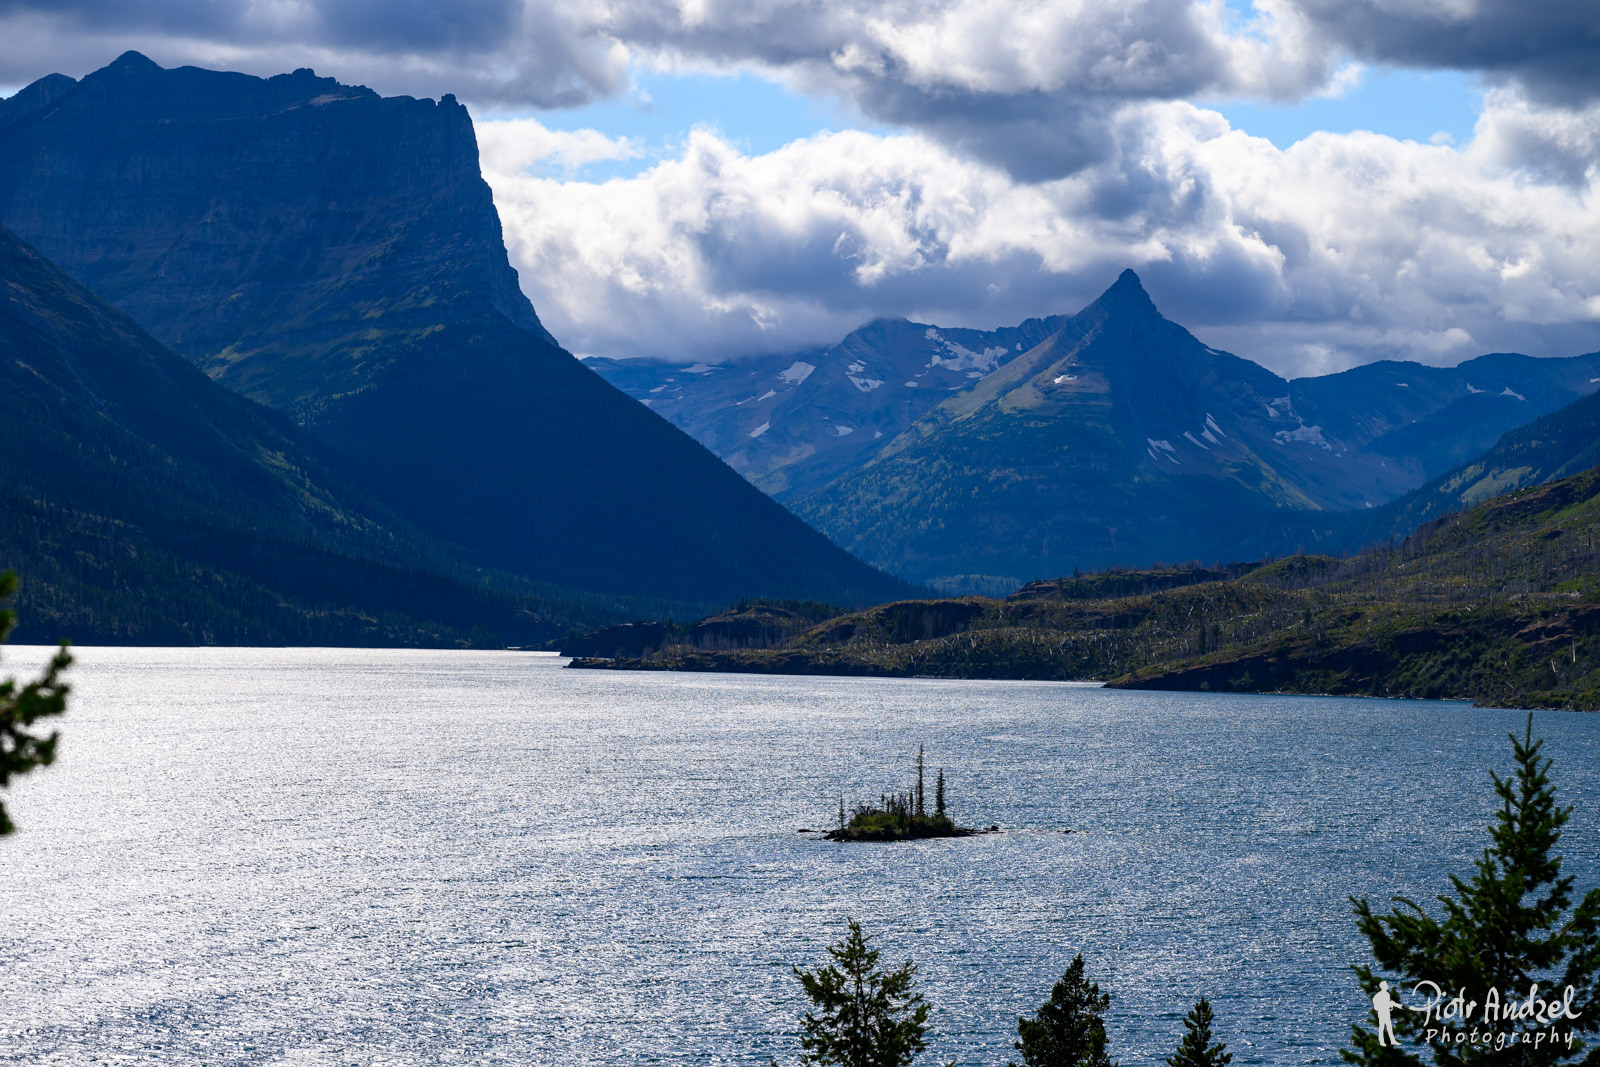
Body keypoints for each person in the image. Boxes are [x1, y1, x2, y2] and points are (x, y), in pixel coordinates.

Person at [1372, 981, 1402, 1046]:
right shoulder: (1379, 995)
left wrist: (1391, 1005)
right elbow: (1378, 1004)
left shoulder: (1387, 994)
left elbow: (1387, 1003)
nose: (1387, 986)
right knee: (1382, 1027)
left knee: (1389, 1027)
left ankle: (1392, 1040)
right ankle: (1381, 1041)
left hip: (1387, 1012)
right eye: (1386, 985)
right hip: (1382, 1012)